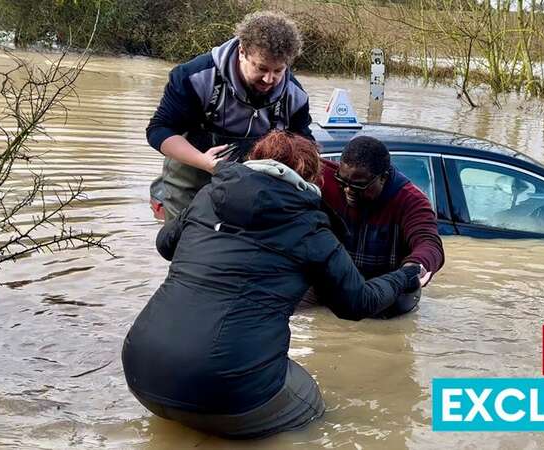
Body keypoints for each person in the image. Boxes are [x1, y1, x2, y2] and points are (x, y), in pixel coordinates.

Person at [122, 131, 421, 439]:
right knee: (318, 413)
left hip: (139, 371)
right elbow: (358, 303)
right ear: (311, 178)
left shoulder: (207, 197)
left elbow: (165, 245)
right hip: (229, 389)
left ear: (254, 160)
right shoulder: (312, 228)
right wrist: (406, 276)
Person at [146, 11, 313, 221]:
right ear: (242, 51)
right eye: (261, 68)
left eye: (278, 71)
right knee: (186, 246)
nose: (269, 79)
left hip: (252, 189)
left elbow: (306, 145)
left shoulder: (295, 95)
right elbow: (159, 130)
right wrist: (204, 162)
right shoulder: (195, 77)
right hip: (189, 182)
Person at [320, 136, 445, 317]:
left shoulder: (411, 201)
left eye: (359, 185)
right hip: (336, 292)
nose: (348, 190)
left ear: (383, 178)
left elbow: (429, 243)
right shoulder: (326, 179)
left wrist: (415, 267)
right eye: (343, 182)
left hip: (388, 300)